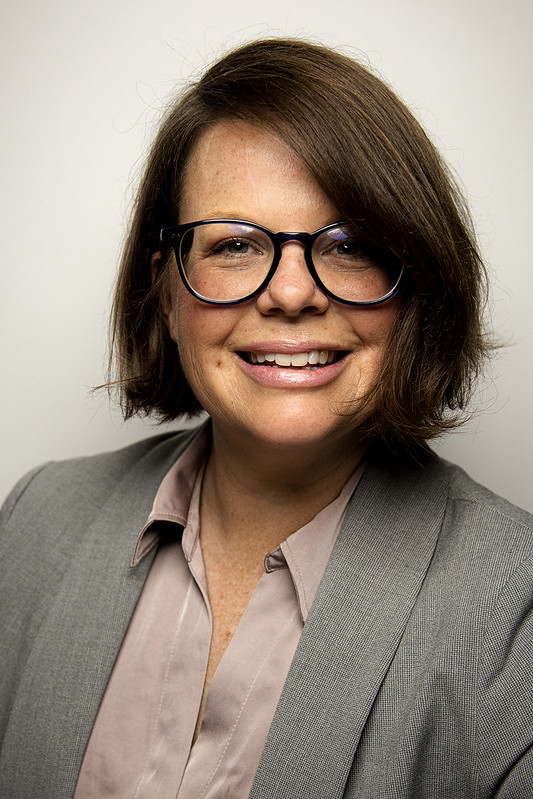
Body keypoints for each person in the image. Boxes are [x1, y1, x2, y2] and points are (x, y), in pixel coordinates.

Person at [0, 37, 532, 799]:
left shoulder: (514, 607)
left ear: (413, 284)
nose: (288, 294)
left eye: (347, 244)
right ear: (169, 294)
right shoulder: (32, 523)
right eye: (235, 244)